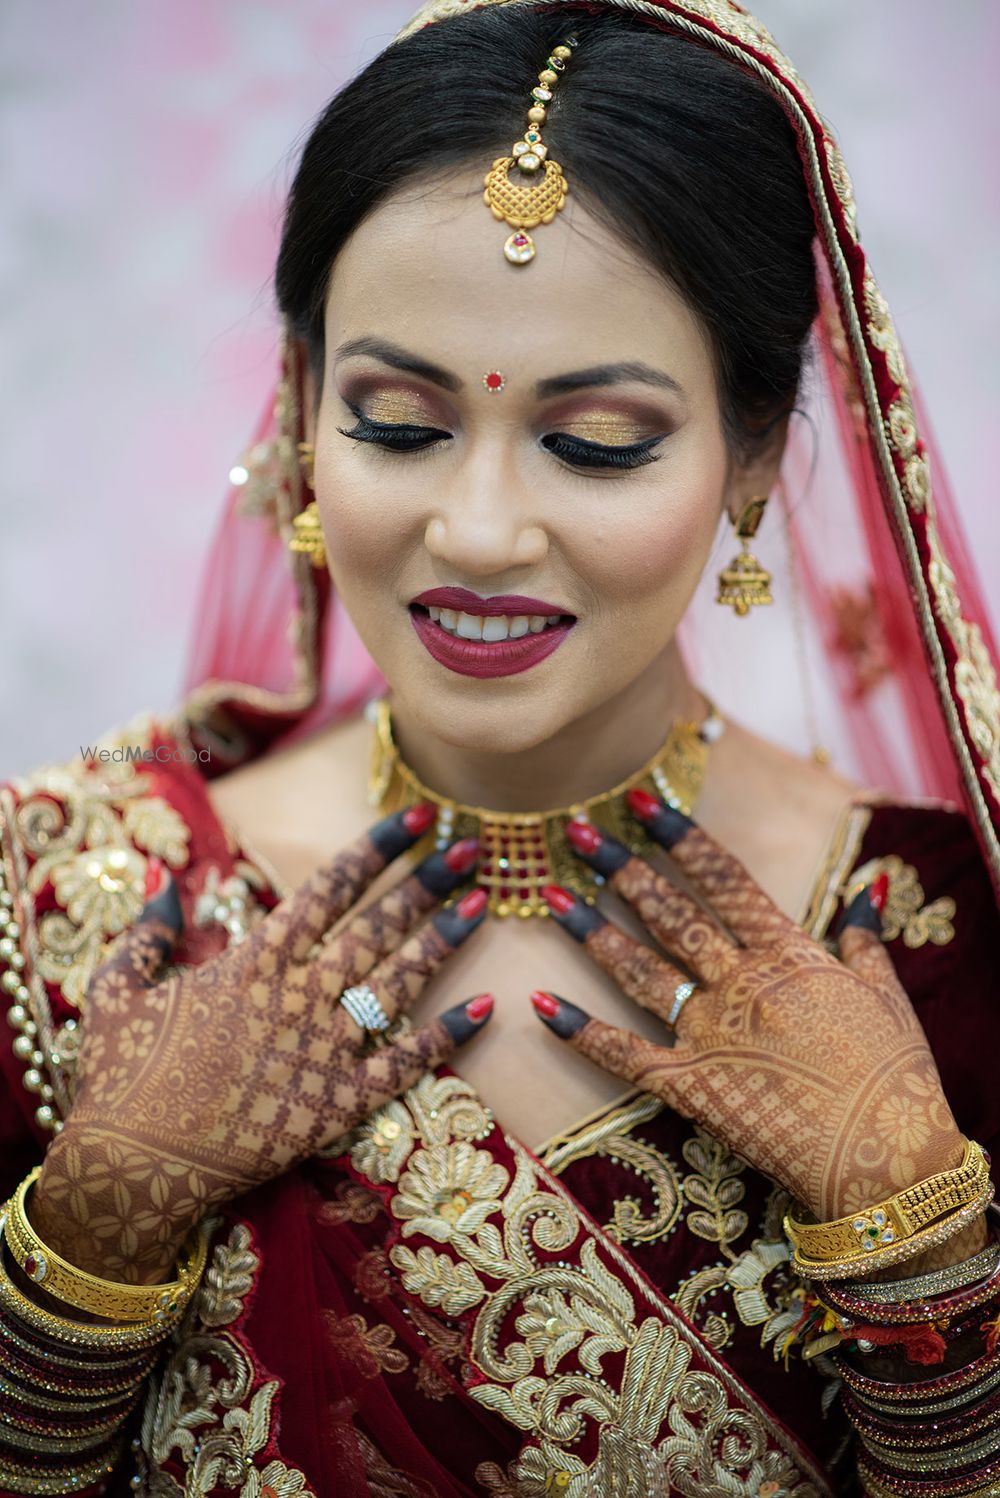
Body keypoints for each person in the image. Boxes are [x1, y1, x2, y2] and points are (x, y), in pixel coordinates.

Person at [1, 1, 998, 1494]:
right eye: (396, 423)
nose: (474, 532)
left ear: (754, 453)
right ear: (300, 409)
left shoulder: (946, 939)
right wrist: (86, 1246)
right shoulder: (80, 895)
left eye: (596, 442)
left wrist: (915, 1245)